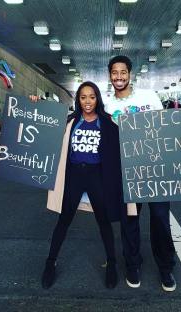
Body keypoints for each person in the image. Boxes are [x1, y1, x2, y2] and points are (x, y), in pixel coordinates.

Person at [105, 55, 181, 291]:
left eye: (123, 72)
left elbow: (167, 125)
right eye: (114, 73)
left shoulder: (149, 97)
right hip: (127, 175)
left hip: (156, 172)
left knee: (160, 221)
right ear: (110, 76)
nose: (119, 77)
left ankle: (166, 267)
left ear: (130, 74)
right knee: (130, 222)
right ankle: (133, 265)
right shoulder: (107, 106)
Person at [40, 81, 124, 290]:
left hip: (97, 176)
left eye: (92, 97)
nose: (88, 101)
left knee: (104, 221)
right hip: (75, 175)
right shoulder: (70, 121)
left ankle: (112, 264)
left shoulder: (108, 123)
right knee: (64, 220)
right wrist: (34, 103)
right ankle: (50, 263)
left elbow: (127, 141)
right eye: (83, 97)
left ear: (98, 99)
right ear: (78, 99)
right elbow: (43, 126)